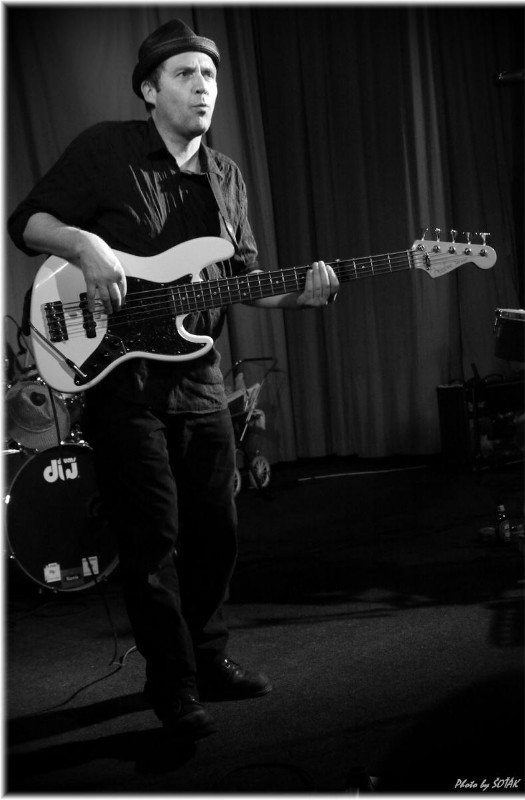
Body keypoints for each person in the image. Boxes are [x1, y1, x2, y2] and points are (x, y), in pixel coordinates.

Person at [8, 18, 339, 740]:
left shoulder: (225, 177)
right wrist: (84, 243)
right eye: (185, 74)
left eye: (210, 75)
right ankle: (173, 683)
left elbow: (243, 279)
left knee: (217, 528)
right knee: (152, 536)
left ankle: (209, 658)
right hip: (119, 382)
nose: (202, 86)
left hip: (198, 377)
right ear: (150, 90)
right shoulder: (106, 149)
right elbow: (26, 222)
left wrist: (301, 293)